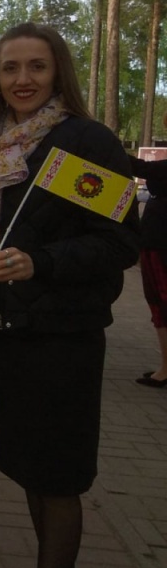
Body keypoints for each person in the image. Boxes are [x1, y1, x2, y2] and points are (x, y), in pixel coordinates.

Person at [0, 22, 139, 568]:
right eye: (10, 68)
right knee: (32, 471)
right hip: (10, 335)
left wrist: (44, 261)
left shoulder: (84, 140)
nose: (23, 78)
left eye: (36, 66)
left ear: (58, 71)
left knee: (58, 479)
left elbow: (120, 240)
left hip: (64, 338)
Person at [130, 140, 167, 388]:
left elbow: (140, 167)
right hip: (156, 242)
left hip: (160, 244)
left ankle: (166, 369)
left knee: (161, 304)